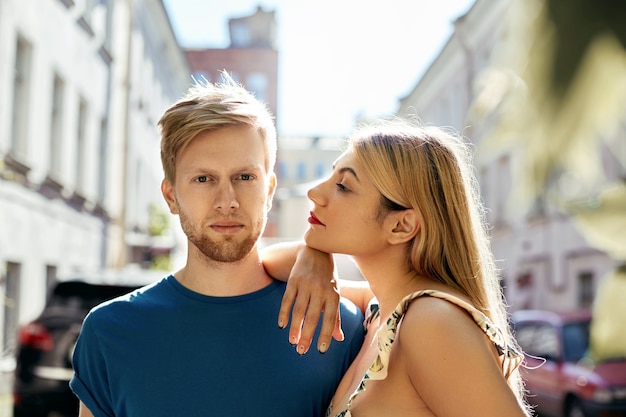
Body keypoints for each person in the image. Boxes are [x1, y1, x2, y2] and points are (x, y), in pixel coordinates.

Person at [69, 73, 365, 417]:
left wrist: (314, 253)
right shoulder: (109, 331)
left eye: (244, 177)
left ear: (268, 190)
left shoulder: (336, 327)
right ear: (171, 196)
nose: (227, 201)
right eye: (203, 179)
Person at [263, 119, 532, 416]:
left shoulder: (431, 321)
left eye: (343, 186)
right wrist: (312, 257)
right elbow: (263, 264)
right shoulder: (383, 310)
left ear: (402, 225)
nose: (315, 193)